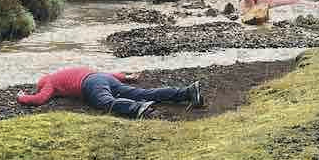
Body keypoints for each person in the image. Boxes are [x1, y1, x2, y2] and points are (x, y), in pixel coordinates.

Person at [17, 66, 203, 118]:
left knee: (105, 102)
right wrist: (125, 77)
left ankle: (139, 109)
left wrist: (22, 97)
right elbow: (102, 74)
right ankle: (187, 92)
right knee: (142, 92)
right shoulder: (63, 72)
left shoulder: (48, 81)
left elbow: (40, 99)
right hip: (102, 77)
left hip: (90, 84)